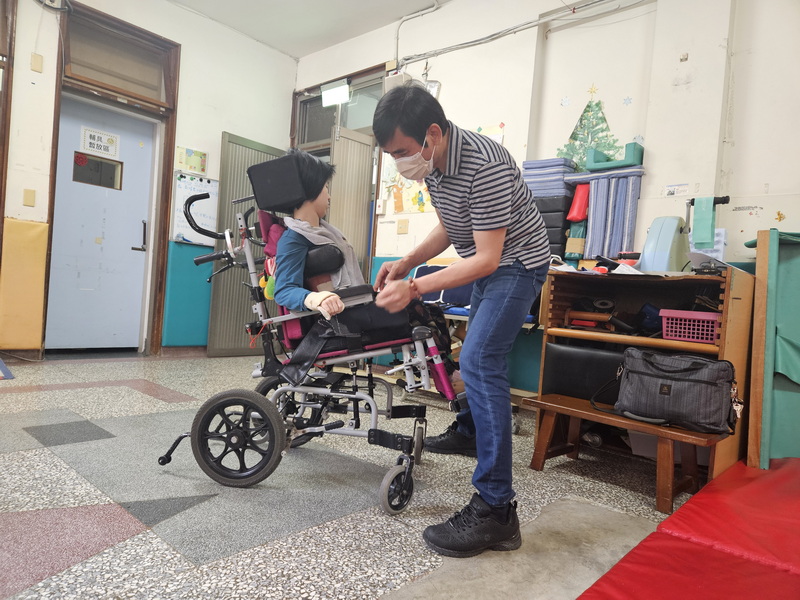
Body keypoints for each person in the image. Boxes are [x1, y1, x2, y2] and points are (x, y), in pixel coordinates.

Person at [372, 82, 550, 558]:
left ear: (432, 134)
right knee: (470, 352)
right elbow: (452, 225)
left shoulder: (484, 165)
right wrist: (407, 262)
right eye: (392, 156)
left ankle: (497, 511)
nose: (401, 164)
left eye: (403, 152)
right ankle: (471, 432)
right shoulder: (435, 163)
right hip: (491, 264)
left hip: (517, 264)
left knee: (479, 361)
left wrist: (414, 287)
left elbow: (488, 257)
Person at [273, 149, 453, 385]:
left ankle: (446, 374)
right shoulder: (293, 238)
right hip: (336, 320)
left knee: (431, 311)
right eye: (326, 188)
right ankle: (447, 377)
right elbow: (284, 290)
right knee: (416, 309)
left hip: (353, 307)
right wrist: (317, 299)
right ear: (312, 190)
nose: (329, 196)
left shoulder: (326, 232)